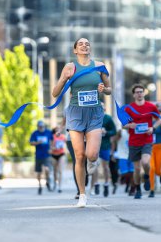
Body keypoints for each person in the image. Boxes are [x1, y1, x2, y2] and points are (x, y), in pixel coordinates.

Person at [52, 37, 111, 207]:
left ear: (90, 49)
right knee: (79, 155)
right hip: (75, 113)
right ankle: (83, 194)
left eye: (87, 44)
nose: (84, 46)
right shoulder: (70, 67)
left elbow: (109, 90)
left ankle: (94, 160)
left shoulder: (99, 66)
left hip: (94, 113)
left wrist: (103, 89)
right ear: (75, 50)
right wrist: (64, 79)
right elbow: (55, 93)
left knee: (91, 154)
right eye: (80, 44)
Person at [124, 83, 161, 199]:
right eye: (137, 92)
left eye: (141, 92)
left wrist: (153, 128)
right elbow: (123, 124)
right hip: (134, 142)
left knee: (145, 162)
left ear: (144, 93)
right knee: (136, 169)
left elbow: (160, 119)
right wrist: (130, 125)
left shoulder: (151, 107)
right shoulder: (128, 108)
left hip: (147, 140)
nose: (139, 94)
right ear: (134, 95)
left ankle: (146, 176)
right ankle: (138, 189)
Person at [90, 106, 117, 197]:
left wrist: (106, 132)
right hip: (94, 145)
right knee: (95, 165)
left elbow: (114, 131)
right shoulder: (92, 117)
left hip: (105, 145)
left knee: (105, 166)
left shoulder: (108, 118)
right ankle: (96, 184)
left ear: (105, 109)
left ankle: (106, 184)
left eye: (102, 108)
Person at [30, 120, 53, 195]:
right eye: (39, 127)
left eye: (42, 126)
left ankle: (47, 181)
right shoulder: (35, 133)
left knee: (47, 169)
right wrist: (37, 142)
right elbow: (31, 142)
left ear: (44, 126)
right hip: (38, 155)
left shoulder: (48, 132)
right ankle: (40, 186)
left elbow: (52, 140)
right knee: (39, 172)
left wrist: (51, 148)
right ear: (37, 127)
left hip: (46, 154)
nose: (41, 128)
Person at [115, 128, 135, 196]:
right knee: (125, 173)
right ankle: (124, 180)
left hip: (132, 155)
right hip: (122, 156)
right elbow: (114, 140)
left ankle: (132, 189)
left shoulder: (135, 131)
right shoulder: (121, 132)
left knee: (132, 173)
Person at [51, 126, 66, 193]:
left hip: (61, 154)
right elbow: (50, 146)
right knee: (55, 171)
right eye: (56, 130)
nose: (57, 131)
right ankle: (55, 183)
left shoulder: (63, 137)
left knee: (60, 171)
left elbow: (67, 144)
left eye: (58, 129)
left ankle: (60, 187)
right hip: (54, 155)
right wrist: (53, 148)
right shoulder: (52, 136)